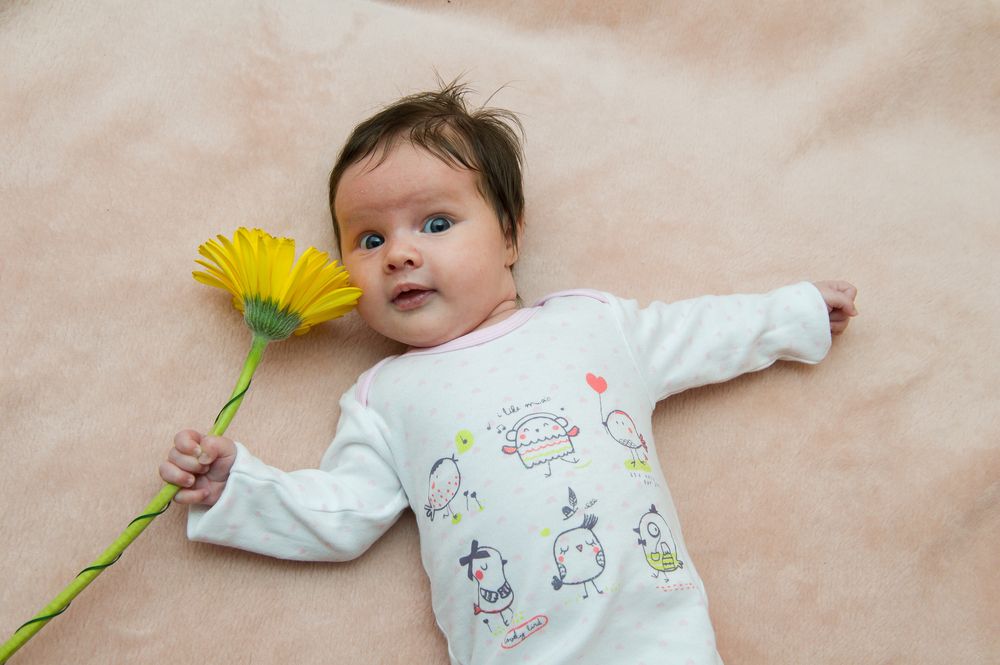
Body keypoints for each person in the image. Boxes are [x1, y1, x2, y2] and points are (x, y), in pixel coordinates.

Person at [160, 81, 858, 664]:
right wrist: (239, 487)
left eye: (435, 223)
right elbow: (341, 513)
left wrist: (792, 314)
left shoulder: (592, 324)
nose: (399, 253)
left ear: (511, 234)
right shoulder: (385, 396)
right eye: (369, 239)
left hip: (659, 639)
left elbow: (705, 333)